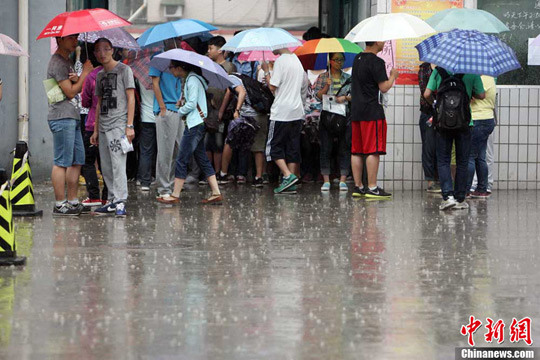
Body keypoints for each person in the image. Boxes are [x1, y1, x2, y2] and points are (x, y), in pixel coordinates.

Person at [157, 60, 223, 205]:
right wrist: (183, 102)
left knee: (181, 158)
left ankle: (175, 195)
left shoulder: (192, 80)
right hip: (196, 123)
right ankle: (216, 192)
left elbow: (192, 103)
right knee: (202, 159)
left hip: (194, 124)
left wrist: (180, 111)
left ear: (180, 68)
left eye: (172, 68)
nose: (171, 71)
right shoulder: (190, 80)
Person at [424, 67, 485, 211]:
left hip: (443, 122)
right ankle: (460, 198)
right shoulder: (472, 71)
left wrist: (436, 104)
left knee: (443, 160)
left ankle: (447, 197)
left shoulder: (438, 71)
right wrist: (470, 92)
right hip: (464, 122)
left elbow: (427, 94)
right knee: (462, 161)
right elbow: (482, 95)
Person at [47, 33, 93, 216]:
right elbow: (71, 92)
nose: (75, 41)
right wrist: (85, 74)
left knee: (76, 160)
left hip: (71, 116)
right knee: (62, 162)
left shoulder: (66, 62)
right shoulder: (57, 63)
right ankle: (60, 203)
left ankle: (72, 201)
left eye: (76, 37)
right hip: (61, 116)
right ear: (59, 40)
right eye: (70, 38)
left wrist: (79, 77)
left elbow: (75, 87)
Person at [90, 38, 136, 217]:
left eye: (106, 49)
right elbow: (99, 103)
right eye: (98, 50)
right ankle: (111, 199)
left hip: (119, 124)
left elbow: (131, 98)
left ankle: (120, 201)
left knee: (118, 164)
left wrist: (129, 125)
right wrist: (95, 129)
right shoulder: (100, 75)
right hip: (103, 125)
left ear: (112, 50)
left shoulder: (125, 70)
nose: (102, 53)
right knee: (106, 166)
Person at [350, 41, 398, 199]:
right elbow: (383, 87)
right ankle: (372, 187)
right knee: (373, 150)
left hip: (356, 111)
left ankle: (358, 186)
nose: (384, 43)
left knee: (356, 150)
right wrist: (392, 76)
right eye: (382, 40)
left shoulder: (357, 59)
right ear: (376, 41)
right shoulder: (377, 61)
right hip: (371, 112)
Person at [262, 47, 309, 194]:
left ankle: (287, 176)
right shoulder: (297, 61)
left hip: (281, 112)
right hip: (296, 111)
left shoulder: (280, 61)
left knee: (273, 147)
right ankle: (291, 182)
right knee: (292, 148)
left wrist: (266, 71)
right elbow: (304, 86)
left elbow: (272, 86)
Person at [218, 73, 269, 187]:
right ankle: (258, 177)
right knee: (258, 147)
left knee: (230, 141)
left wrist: (237, 110)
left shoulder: (230, 78)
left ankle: (223, 174)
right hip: (261, 114)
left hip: (247, 116)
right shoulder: (243, 77)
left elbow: (242, 92)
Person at [150, 37, 183, 199]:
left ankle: (170, 184)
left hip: (178, 109)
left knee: (177, 149)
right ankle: (163, 188)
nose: (179, 41)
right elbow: (154, 83)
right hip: (166, 110)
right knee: (165, 151)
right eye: (176, 39)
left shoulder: (181, 58)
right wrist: (162, 107)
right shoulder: (158, 59)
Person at [313, 52, 351, 192]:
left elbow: (354, 95)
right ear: (330, 61)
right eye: (336, 60)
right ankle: (326, 180)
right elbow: (316, 97)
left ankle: (343, 179)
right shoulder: (323, 77)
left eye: (341, 59)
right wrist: (325, 88)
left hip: (343, 116)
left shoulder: (348, 78)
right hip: (327, 116)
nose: (339, 62)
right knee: (326, 148)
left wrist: (345, 98)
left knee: (344, 147)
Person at [206, 36, 237, 180]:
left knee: (218, 142)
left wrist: (221, 110)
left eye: (211, 48)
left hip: (220, 111)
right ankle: (209, 172)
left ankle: (218, 172)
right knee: (207, 142)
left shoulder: (229, 67)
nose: (208, 51)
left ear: (220, 50)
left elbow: (229, 91)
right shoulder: (207, 65)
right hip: (207, 109)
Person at [81, 63, 108, 206]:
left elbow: (85, 102)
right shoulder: (115, 72)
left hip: (92, 124)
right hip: (109, 124)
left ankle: (94, 196)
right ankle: (107, 196)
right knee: (107, 163)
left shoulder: (92, 76)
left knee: (88, 161)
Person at [467, 75, 496, 199]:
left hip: (477, 120)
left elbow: (476, 95)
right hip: (488, 119)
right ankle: (482, 189)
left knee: (470, 156)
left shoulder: (480, 79)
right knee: (481, 157)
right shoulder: (491, 79)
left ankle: (466, 189)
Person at [418, 62, 440, 193]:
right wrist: (435, 103)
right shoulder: (424, 68)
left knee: (442, 146)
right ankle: (431, 181)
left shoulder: (445, 68)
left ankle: (441, 179)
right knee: (428, 146)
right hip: (428, 113)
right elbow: (424, 90)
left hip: (445, 113)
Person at [136, 78, 157, 191]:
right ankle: (158, 177)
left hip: (145, 117)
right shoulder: (159, 77)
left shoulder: (141, 78)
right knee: (161, 151)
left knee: (145, 151)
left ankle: (144, 180)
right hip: (159, 116)